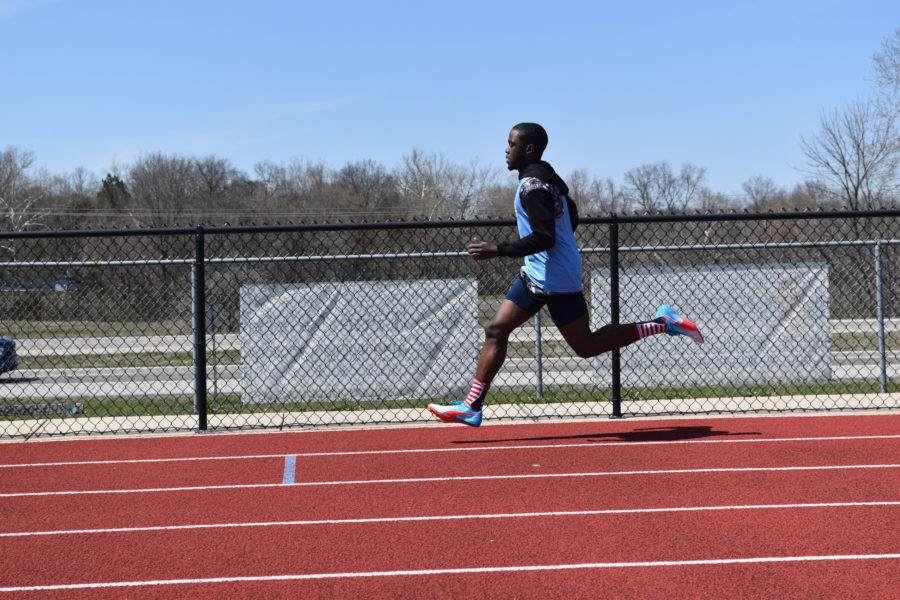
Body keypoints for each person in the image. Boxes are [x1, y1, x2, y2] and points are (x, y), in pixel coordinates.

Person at [427, 122, 704, 427]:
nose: (506, 150)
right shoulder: (547, 182)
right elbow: (571, 218)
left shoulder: (534, 187)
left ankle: (662, 324)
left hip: (556, 279)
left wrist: (499, 250)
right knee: (495, 329)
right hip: (536, 274)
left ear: (529, 149)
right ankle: (472, 406)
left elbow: (545, 237)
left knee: (585, 346)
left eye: (511, 144)